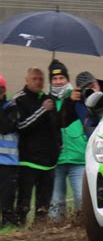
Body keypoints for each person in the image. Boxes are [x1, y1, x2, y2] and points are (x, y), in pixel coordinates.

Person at [12, 67, 61, 225]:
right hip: (28, 161)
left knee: (43, 206)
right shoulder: (19, 99)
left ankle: (40, 233)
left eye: (41, 79)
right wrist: (42, 110)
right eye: (35, 79)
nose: (38, 82)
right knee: (24, 204)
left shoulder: (49, 99)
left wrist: (59, 144)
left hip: (49, 163)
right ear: (27, 80)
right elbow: (22, 126)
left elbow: (56, 125)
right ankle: (19, 230)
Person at [47, 60, 87, 222]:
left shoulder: (76, 96)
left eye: (61, 78)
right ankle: (55, 233)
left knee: (81, 197)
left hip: (77, 155)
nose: (58, 82)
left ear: (67, 79)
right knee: (56, 201)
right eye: (54, 79)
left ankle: (85, 227)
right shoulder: (47, 101)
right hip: (56, 158)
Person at [67, 71, 103, 136]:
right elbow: (63, 122)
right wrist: (69, 101)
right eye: (86, 89)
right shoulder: (79, 105)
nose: (91, 90)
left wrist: (100, 100)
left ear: (98, 83)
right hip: (94, 141)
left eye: (93, 86)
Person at [0, 74, 19, 227]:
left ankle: (8, 222)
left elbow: (6, 127)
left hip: (8, 161)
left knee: (7, 196)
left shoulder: (11, 107)